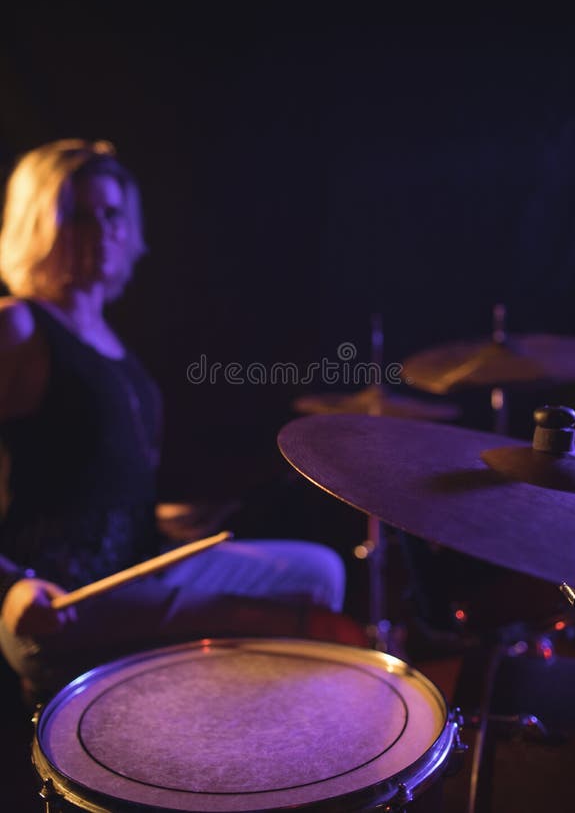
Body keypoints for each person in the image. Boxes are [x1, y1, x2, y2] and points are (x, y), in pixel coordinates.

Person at [0, 139, 353, 702]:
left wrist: (159, 521)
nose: (102, 230)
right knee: (278, 618)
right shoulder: (18, 325)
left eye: (112, 214)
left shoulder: (109, 341)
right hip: (57, 601)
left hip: (133, 567)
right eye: (77, 215)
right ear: (35, 225)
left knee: (319, 573)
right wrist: (11, 587)